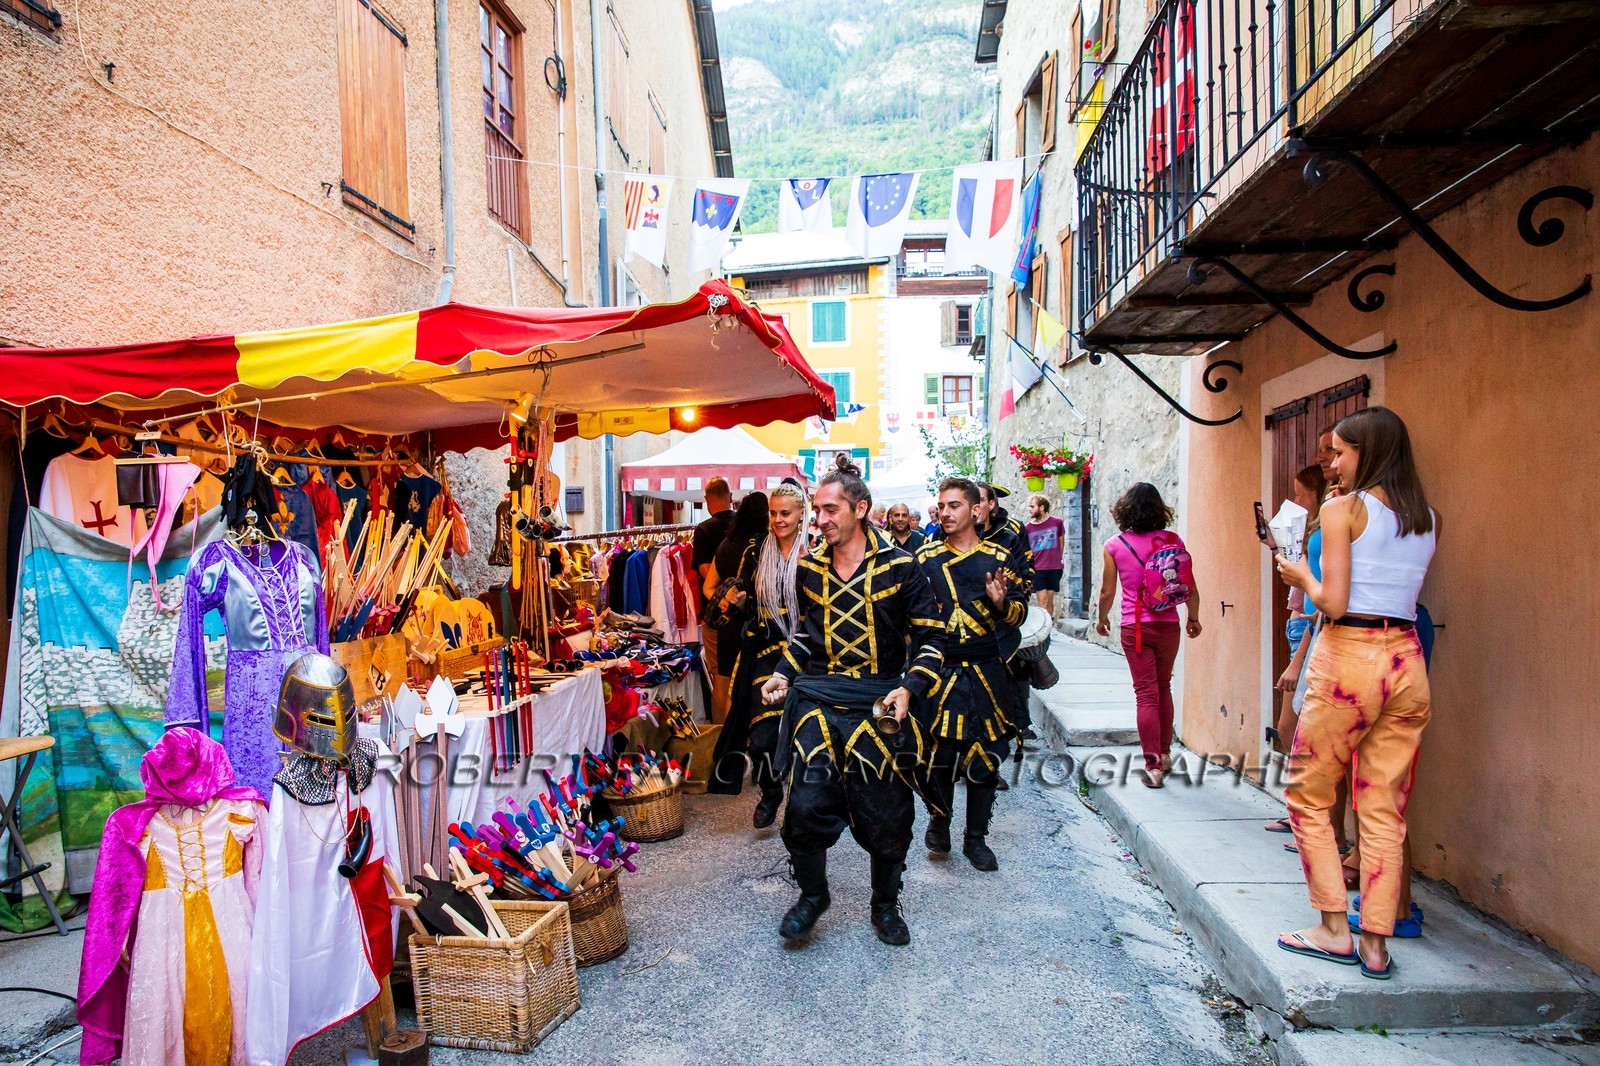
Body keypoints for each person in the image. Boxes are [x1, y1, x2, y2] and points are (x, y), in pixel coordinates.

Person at [1271, 407, 1437, 980]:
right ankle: (1376, 945)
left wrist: (1299, 575)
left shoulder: (1343, 510)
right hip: (1407, 658)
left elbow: (1333, 602)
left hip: (1350, 657)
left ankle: (1333, 929)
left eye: (1340, 452)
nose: (1333, 463)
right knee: (1384, 809)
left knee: (1308, 794)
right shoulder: (1427, 517)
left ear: (1369, 452)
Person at [759, 456, 945, 947]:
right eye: (817, 510)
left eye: (830, 509)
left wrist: (909, 687)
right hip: (819, 702)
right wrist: (781, 674)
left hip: (878, 705)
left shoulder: (901, 566)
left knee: (886, 812)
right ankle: (812, 895)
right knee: (805, 807)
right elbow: (806, 637)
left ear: (860, 509)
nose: (819, 519)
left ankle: (884, 905)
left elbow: (932, 637)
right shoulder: (809, 568)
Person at [916, 478, 1028, 872]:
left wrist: (1002, 605)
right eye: (942, 505)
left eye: (955, 505)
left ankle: (976, 839)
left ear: (976, 509)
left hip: (986, 671)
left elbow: (1020, 614)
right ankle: (939, 820)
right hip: (941, 670)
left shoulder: (999, 556)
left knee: (985, 759)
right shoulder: (925, 558)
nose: (945, 512)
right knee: (941, 755)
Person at [705, 484, 807, 827]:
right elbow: (747, 601)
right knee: (761, 735)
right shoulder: (756, 551)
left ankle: (804, 805)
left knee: (805, 735)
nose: (778, 520)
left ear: (801, 515)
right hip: (764, 650)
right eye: (773, 513)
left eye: (785, 513)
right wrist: (736, 603)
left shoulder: (817, 553)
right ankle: (770, 791)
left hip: (808, 655)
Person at [1095, 483, 1202, 788]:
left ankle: (1152, 767)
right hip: (1168, 624)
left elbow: (1107, 592)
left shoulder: (1114, 545)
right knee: (1163, 686)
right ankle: (1164, 755)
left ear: (1124, 510)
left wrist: (1102, 618)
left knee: (1145, 694)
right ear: (1158, 509)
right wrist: (1193, 618)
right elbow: (1189, 585)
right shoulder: (1172, 540)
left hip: (1136, 626)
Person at [703, 492, 769, 723]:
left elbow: (708, 586)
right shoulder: (764, 546)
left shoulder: (726, 544)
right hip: (753, 621)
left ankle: (718, 733)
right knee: (749, 681)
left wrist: (723, 600)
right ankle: (739, 736)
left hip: (727, 623)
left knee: (722, 680)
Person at [693, 477, 736, 721]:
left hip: (715, 615)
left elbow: (704, 570)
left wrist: (720, 590)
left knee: (720, 677)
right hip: (744, 611)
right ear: (730, 497)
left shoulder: (704, 530)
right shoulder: (742, 526)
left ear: (707, 500)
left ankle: (720, 731)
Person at [1024, 493, 1068, 615]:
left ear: (1042, 508)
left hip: (1054, 568)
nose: (1029, 509)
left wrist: (1057, 559)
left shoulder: (1057, 522)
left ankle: (1048, 624)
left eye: (1032, 506)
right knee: (1042, 600)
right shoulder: (1028, 528)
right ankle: (1043, 626)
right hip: (1037, 568)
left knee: (1049, 600)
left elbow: (1061, 541)